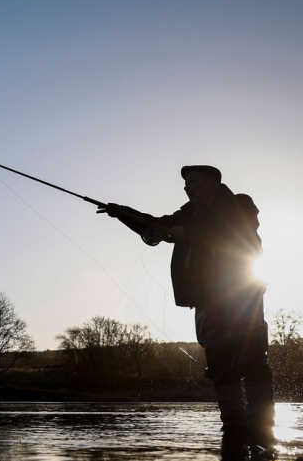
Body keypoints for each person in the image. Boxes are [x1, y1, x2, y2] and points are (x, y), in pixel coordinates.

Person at [98, 165, 275, 461]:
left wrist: (190, 233)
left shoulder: (240, 204)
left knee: (252, 357)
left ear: (213, 184)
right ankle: (233, 428)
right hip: (206, 300)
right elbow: (154, 225)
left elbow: (235, 231)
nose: (186, 187)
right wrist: (122, 213)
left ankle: (263, 428)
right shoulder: (186, 214)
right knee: (219, 362)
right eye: (185, 184)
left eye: (192, 181)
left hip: (242, 292)